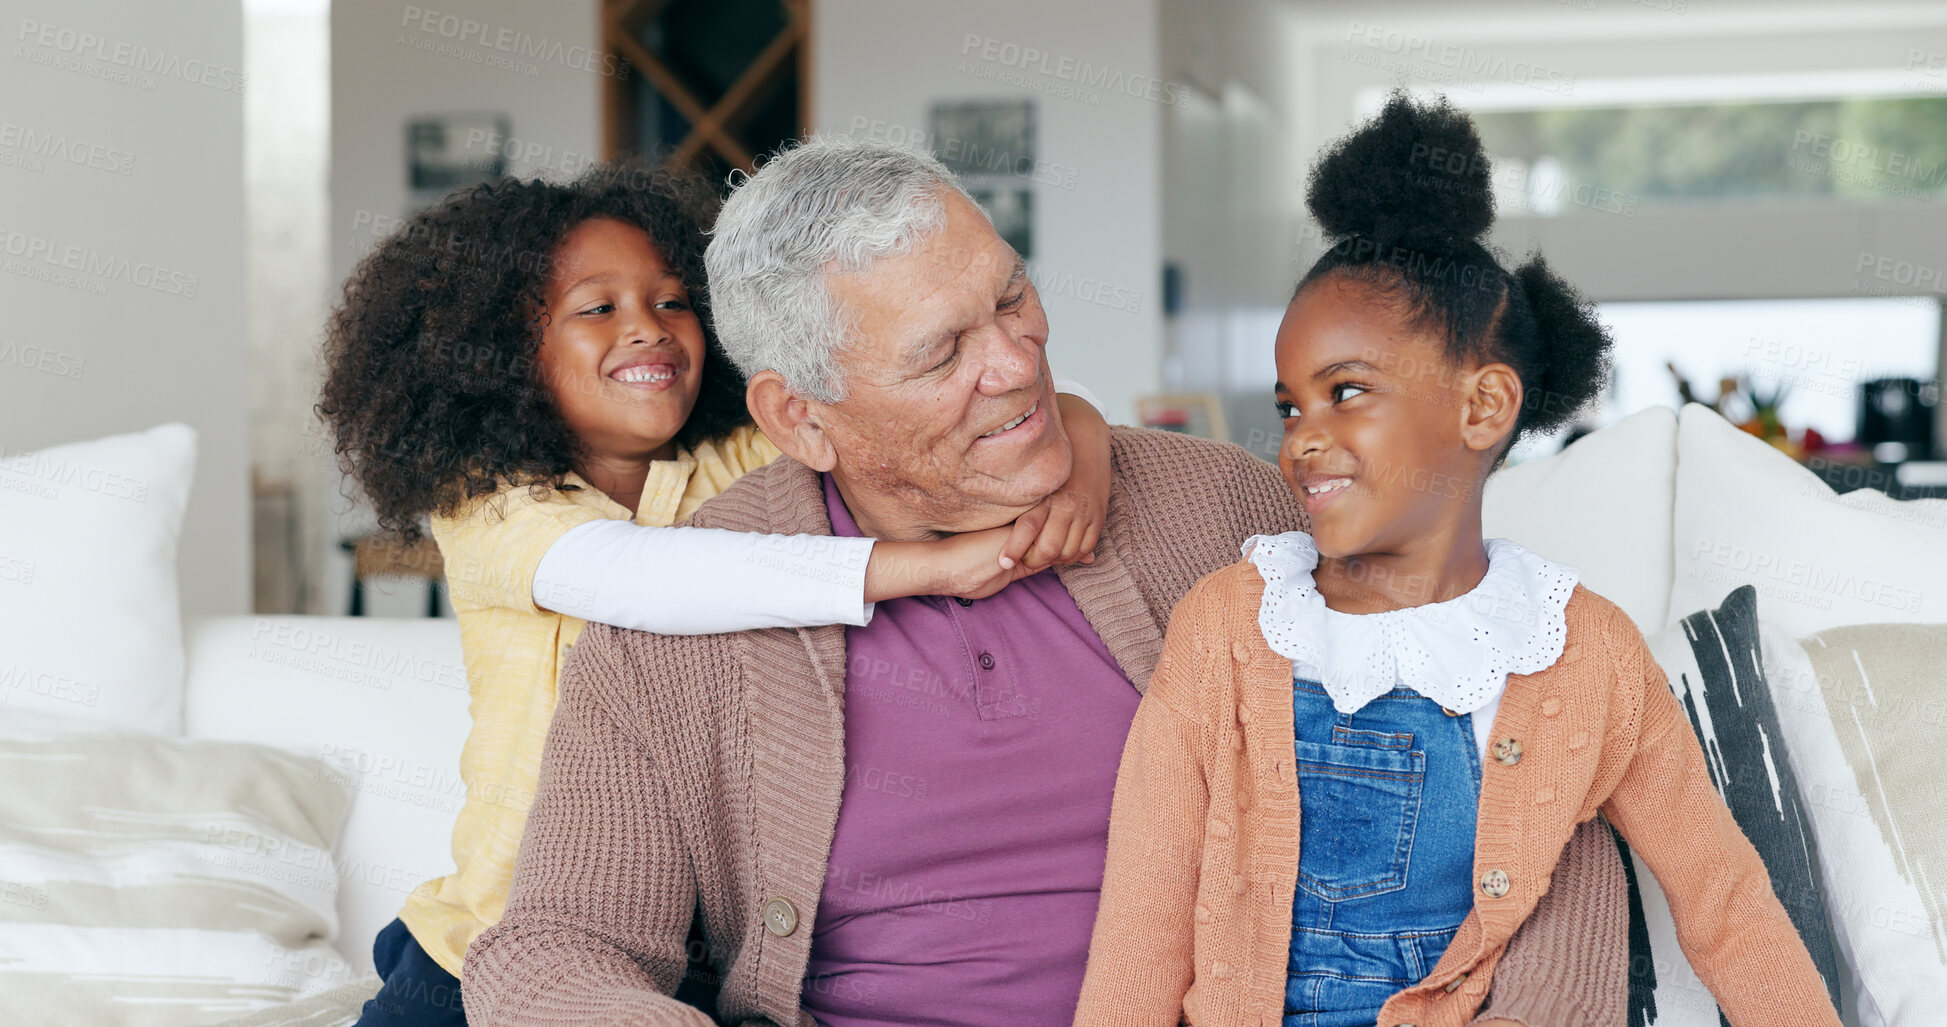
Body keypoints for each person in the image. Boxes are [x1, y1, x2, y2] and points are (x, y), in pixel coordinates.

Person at [461, 137, 1631, 1027]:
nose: (1018, 365)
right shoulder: (691, 612)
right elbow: (552, 948)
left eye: (1011, 298)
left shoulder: (1227, 517)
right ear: (799, 418)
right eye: (941, 353)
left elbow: (1532, 765)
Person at [1072, 93, 1841, 1027]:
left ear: (1483, 408)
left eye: (1344, 392)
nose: (1302, 440)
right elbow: (1144, 914)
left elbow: (1724, 903)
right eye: (1288, 407)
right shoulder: (1230, 623)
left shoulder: (1581, 653)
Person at [316, 159, 1114, 1026]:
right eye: (598, 309)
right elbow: (644, 579)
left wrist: (1080, 463)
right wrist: (927, 566)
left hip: (692, 946)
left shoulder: (732, 461)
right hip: (488, 944)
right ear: (500, 354)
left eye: (670, 301)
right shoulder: (491, 505)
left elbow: (965, 415)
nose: (648, 330)